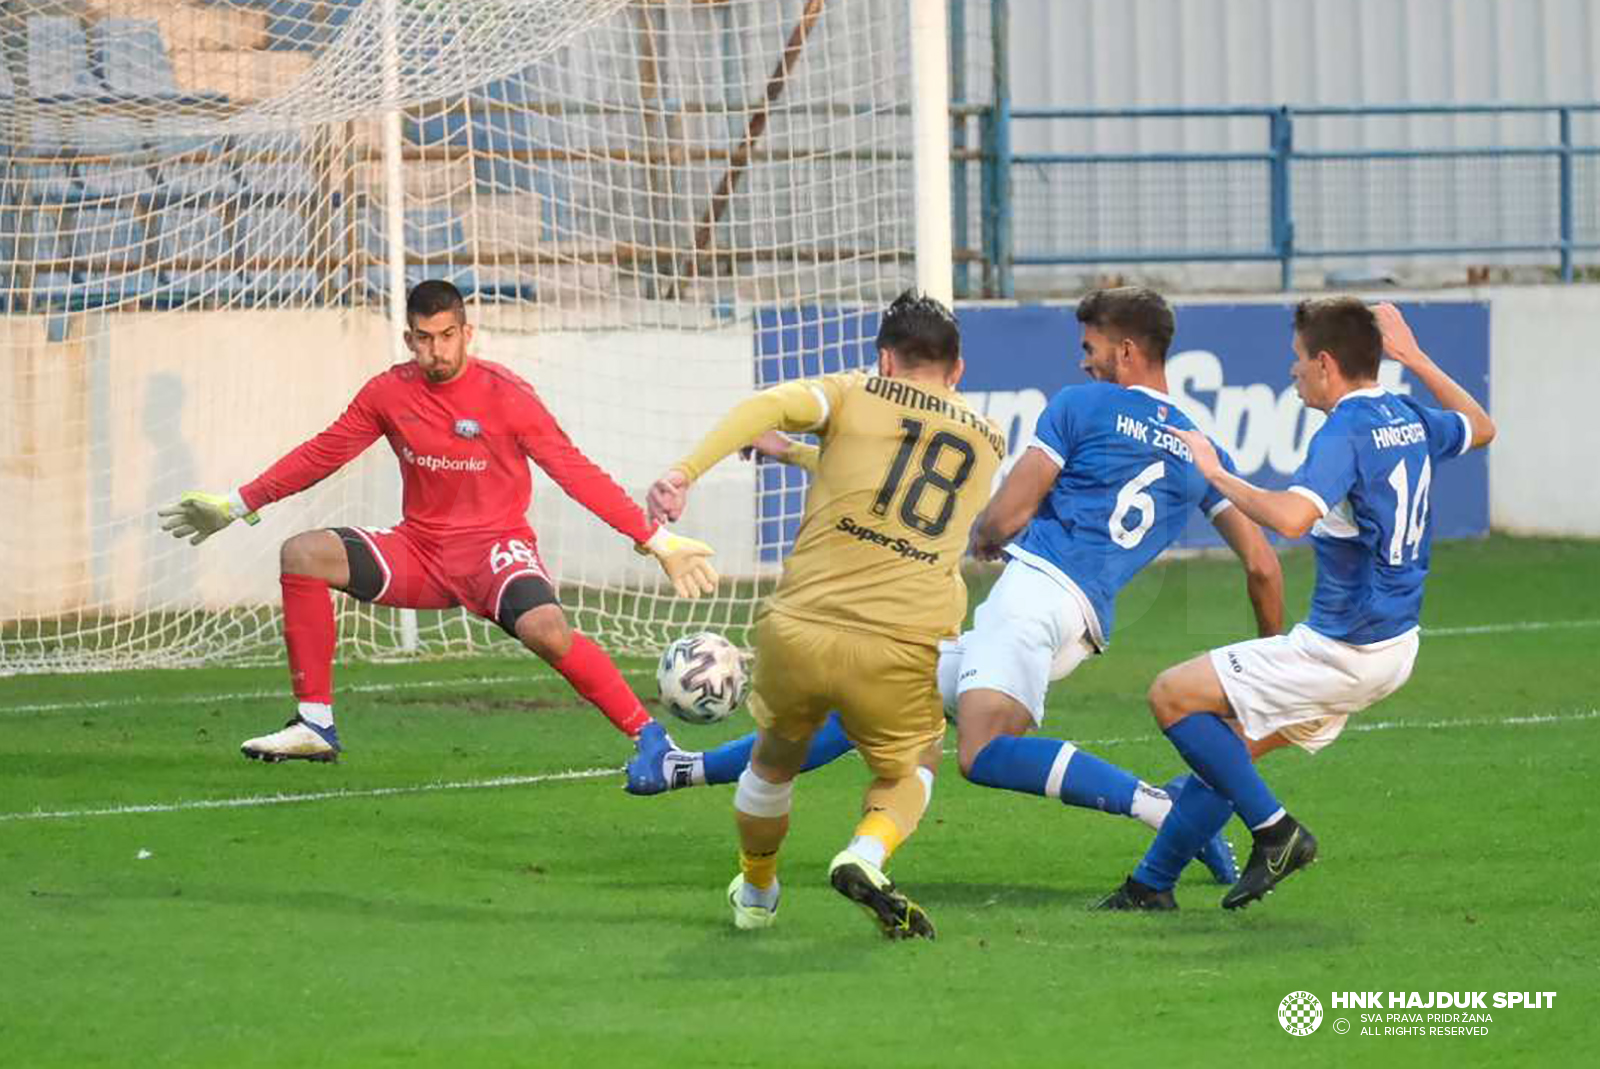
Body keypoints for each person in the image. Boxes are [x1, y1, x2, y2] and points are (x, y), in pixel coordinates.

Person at [629, 287, 1282, 886]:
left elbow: (1006, 512)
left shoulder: (1081, 406)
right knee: (864, 711)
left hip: (1032, 597)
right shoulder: (1201, 451)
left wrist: (986, 537)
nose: (1084, 362)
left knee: (985, 751)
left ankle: (1160, 807)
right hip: (1080, 622)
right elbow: (1262, 564)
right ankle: (682, 768)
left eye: (1090, 348)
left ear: (1127, 350)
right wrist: (1269, 658)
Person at [158, 280, 716, 764]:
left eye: (447, 336)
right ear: (409, 339)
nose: (436, 351)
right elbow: (324, 452)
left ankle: (651, 738)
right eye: (424, 339)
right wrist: (237, 503)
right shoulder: (388, 393)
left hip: (496, 551)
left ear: (466, 334)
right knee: (302, 554)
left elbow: (575, 472)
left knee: (546, 631)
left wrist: (654, 539)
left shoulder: (507, 397)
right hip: (419, 553)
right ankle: (314, 725)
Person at [1096, 299, 1495, 912]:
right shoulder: (1406, 415)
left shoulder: (1345, 432)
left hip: (1342, 649)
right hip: (1395, 647)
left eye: (1299, 360)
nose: (1293, 371)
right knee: (1229, 754)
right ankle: (1150, 886)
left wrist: (1214, 472)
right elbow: (1480, 424)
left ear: (1327, 364)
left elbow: (1288, 518)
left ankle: (1276, 833)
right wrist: (1412, 358)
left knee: (1170, 696)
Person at [646, 289, 1004, 939]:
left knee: (772, 764)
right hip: (899, 641)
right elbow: (893, 478)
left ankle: (757, 890)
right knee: (913, 764)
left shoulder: (855, 392)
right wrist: (794, 453)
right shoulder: (986, 442)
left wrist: (686, 470)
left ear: (885, 359)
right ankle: (864, 853)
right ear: (958, 370)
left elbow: (773, 405)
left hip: (798, 629)